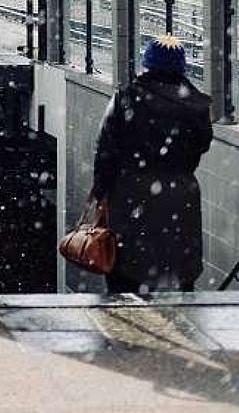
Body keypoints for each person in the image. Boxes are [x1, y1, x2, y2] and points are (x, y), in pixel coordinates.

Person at [90, 35, 213, 294]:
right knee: (178, 266)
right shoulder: (197, 106)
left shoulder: (126, 99)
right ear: (181, 68)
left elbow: (106, 151)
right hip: (182, 195)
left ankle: (128, 322)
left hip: (132, 194)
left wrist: (101, 190)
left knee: (127, 271)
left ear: (148, 64)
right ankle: (181, 324)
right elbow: (201, 147)